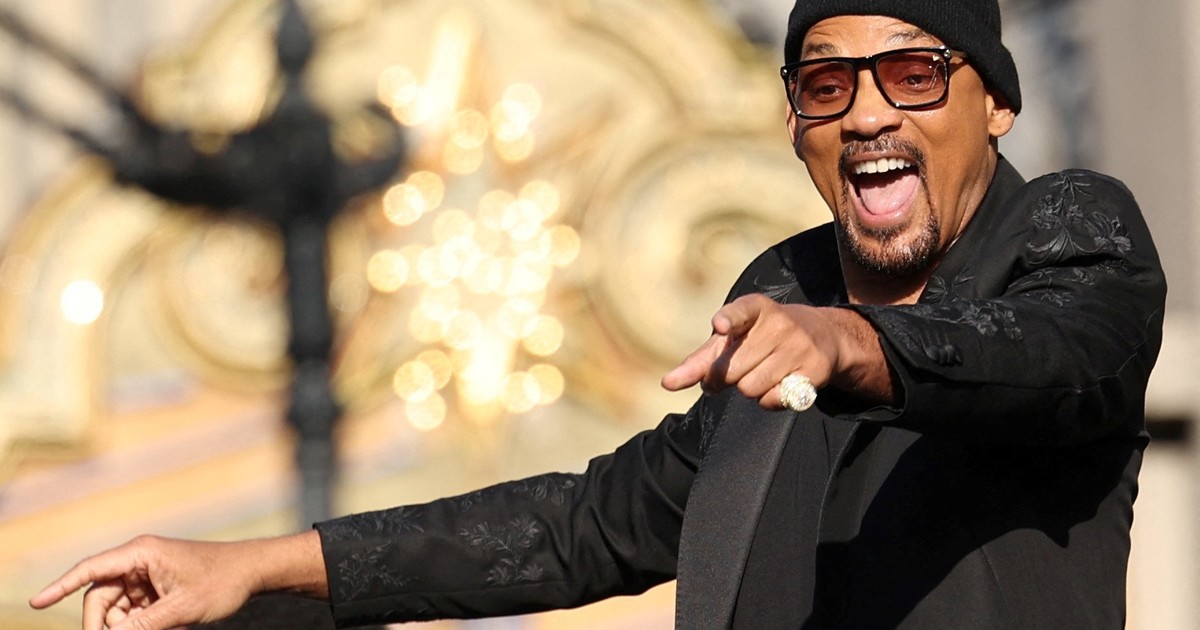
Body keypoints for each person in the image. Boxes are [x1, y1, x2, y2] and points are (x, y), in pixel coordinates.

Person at [29, 0, 1166, 628]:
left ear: (995, 103)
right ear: (796, 128)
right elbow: (583, 526)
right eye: (829, 85)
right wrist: (253, 564)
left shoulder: (1062, 233)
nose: (868, 112)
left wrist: (854, 344)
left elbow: (1055, 356)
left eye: (914, 73)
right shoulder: (782, 299)